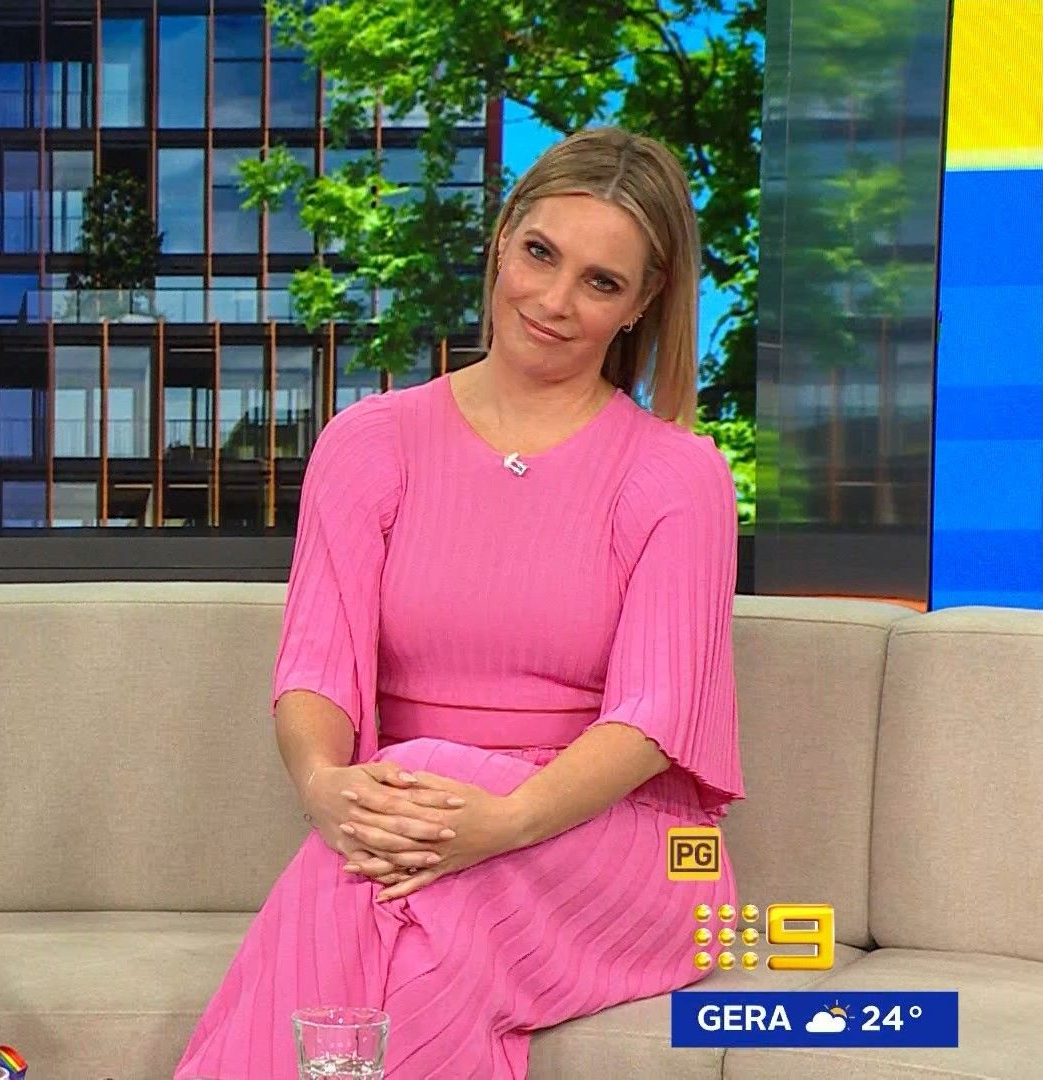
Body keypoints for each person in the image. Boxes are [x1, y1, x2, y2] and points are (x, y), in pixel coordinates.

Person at [176, 127, 744, 1079]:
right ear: (503, 238)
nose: (554, 301)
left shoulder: (677, 476)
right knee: (410, 904)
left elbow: (652, 722)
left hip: (631, 849)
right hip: (421, 822)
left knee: (401, 838)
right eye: (541, 254)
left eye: (600, 282)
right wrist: (325, 790)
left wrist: (500, 821)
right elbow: (318, 664)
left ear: (641, 302)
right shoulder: (369, 444)